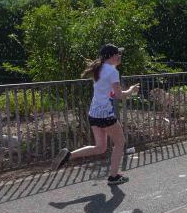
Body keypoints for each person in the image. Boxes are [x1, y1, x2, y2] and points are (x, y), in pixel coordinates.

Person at [51, 44, 140, 184]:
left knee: (100, 147)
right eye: (118, 54)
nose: (120, 56)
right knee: (120, 142)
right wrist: (131, 90)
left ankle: (69, 155)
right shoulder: (112, 71)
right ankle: (114, 176)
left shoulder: (99, 69)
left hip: (94, 114)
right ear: (112, 56)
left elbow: (108, 91)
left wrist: (116, 89)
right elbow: (118, 95)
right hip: (105, 115)